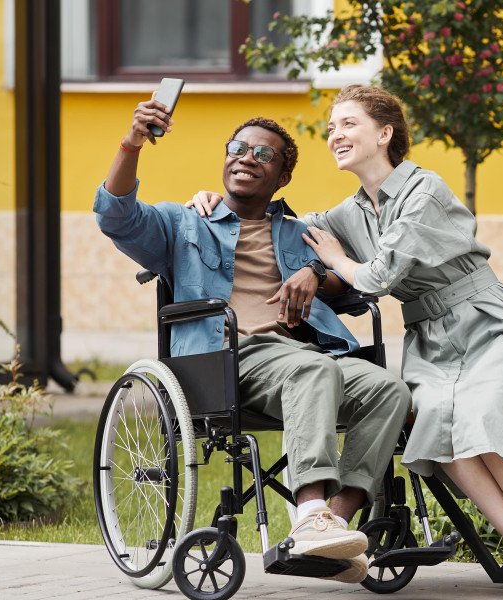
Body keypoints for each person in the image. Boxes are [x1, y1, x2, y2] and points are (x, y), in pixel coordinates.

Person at [188, 84, 503, 600]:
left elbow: (377, 275)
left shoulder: (425, 191)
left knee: (486, 420)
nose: (335, 134)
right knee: (439, 432)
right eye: (331, 127)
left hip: (486, 325)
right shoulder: (350, 211)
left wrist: (331, 262)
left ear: (384, 133)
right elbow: (286, 229)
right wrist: (209, 200)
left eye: (348, 124)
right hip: (429, 337)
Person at [95, 97, 412, 585]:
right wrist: (132, 140)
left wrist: (312, 272)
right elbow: (115, 215)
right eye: (237, 148)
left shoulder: (300, 232)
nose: (246, 157)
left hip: (305, 356)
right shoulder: (185, 222)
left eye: (263, 155)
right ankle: (308, 514)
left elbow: (351, 288)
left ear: (282, 177)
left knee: (389, 390)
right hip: (225, 359)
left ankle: (336, 529)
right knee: (313, 370)